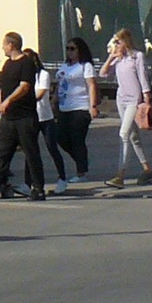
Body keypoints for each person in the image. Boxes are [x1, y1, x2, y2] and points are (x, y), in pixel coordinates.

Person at [0, 32, 46, 200]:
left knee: (31, 153)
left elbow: (24, 87)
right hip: (8, 119)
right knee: (1, 152)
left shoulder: (26, 63)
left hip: (25, 117)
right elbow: (5, 87)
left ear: (11, 45)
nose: (2, 47)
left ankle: (38, 188)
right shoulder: (7, 64)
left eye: (4, 44)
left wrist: (8, 101)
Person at [103, 27, 152, 188]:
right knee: (133, 136)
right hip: (121, 100)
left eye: (117, 42)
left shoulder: (137, 57)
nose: (115, 45)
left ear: (125, 41)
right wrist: (111, 56)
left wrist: (146, 100)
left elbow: (143, 79)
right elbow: (103, 73)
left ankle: (120, 175)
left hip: (134, 100)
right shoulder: (119, 59)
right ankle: (147, 169)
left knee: (123, 133)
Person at [48, 37, 99, 190]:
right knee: (61, 137)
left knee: (77, 138)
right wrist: (54, 102)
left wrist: (93, 105)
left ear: (79, 50)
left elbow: (91, 85)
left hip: (81, 107)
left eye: (73, 49)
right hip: (64, 107)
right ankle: (81, 160)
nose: (70, 52)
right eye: (68, 48)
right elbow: (59, 85)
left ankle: (81, 172)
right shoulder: (65, 66)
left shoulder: (85, 66)